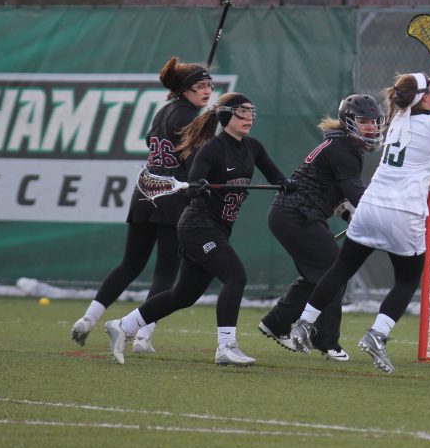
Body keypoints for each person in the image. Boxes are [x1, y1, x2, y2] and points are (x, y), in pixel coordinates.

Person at [290, 66, 430, 374]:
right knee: (407, 280)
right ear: (422, 98)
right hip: (404, 213)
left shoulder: (398, 119)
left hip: (370, 206)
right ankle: (377, 334)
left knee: (341, 269)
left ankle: (304, 323)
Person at [103, 92, 295, 366]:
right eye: (242, 112)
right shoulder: (211, 148)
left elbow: (276, 176)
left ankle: (123, 326)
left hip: (219, 228)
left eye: (251, 112)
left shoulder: (254, 147)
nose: (249, 117)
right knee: (236, 277)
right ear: (226, 115)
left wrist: (286, 183)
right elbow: (193, 182)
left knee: (184, 295)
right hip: (197, 227)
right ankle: (226, 347)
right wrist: (197, 186)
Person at [70, 57, 213, 353]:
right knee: (165, 272)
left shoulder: (165, 110)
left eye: (209, 85)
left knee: (130, 264)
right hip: (171, 196)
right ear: (184, 89)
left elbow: (151, 139)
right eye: (200, 86)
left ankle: (88, 319)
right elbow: (196, 162)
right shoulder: (191, 117)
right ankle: (143, 338)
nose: (207, 91)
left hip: (145, 193)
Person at [258, 94, 386, 361]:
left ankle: (276, 322)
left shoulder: (341, 145)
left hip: (293, 214)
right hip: (297, 215)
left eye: (374, 122)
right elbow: (356, 194)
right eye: (364, 121)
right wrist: (387, 212)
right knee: (334, 273)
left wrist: (350, 212)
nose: (371, 127)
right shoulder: (344, 149)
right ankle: (326, 341)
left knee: (316, 277)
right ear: (348, 121)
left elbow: (338, 193)